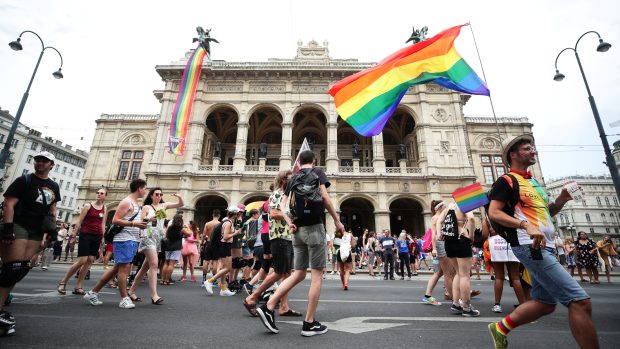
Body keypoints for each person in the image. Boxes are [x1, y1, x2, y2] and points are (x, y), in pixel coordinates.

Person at [487, 134, 598, 349]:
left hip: (546, 245)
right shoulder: (506, 180)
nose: (533, 151)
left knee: (545, 303)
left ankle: (500, 328)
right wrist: (525, 226)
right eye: (528, 148)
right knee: (580, 302)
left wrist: (562, 200)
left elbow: (547, 213)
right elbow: (494, 213)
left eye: (532, 148)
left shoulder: (534, 182)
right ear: (514, 154)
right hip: (530, 246)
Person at [256, 150, 345, 337]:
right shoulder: (317, 172)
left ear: (299, 162)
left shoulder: (293, 177)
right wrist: (337, 221)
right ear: (314, 161)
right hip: (314, 228)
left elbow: (283, 206)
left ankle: (269, 305)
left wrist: (290, 223)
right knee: (316, 275)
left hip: (297, 230)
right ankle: (309, 323)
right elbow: (325, 197)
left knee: (298, 274)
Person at [0, 151, 61, 332]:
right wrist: (9, 228)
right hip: (18, 225)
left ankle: (2, 305)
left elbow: (51, 208)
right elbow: (9, 204)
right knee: (13, 267)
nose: (41, 163)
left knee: (20, 268)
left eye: (45, 161)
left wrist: (51, 230)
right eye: (38, 160)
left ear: (51, 165)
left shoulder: (53, 186)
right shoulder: (24, 180)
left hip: (37, 230)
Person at [83, 179, 148, 309]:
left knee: (117, 269)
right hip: (124, 239)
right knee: (123, 270)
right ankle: (124, 298)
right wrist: (134, 224)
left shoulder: (135, 203)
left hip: (132, 239)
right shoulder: (127, 202)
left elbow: (131, 219)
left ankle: (93, 292)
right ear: (139, 189)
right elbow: (115, 220)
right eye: (145, 188)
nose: (145, 191)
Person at [243, 171, 300, 317]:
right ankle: (252, 297)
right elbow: (273, 214)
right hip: (279, 238)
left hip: (287, 238)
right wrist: (293, 215)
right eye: (290, 178)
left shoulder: (287, 196)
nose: (293, 180)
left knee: (287, 274)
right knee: (279, 272)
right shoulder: (277, 194)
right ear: (283, 181)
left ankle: (284, 307)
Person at [128, 188, 183, 304]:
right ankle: (154, 295)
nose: (159, 196)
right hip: (148, 237)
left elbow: (181, 204)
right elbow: (141, 222)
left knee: (144, 268)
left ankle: (131, 291)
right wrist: (150, 219)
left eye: (160, 194)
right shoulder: (146, 207)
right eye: (156, 194)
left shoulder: (164, 205)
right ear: (151, 196)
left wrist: (178, 196)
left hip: (158, 238)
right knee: (154, 264)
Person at [57, 188, 108, 296]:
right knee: (82, 260)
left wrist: (103, 237)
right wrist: (73, 235)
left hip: (97, 236)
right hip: (86, 234)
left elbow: (103, 223)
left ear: (105, 196)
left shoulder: (105, 208)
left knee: (90, 260)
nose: (99, 194)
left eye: (101, 193)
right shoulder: (88, 206)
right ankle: (63, 282)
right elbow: (79, 221)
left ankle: (78, 286)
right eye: (97, 193)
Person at [438, 202, 478, 317]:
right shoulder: (465, 205)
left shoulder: (448, 207)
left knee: (458, 273)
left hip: (449, 242)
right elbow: (471, 219)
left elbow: (440, 221)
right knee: (465, 275)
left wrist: (440, 234)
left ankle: (456, 303)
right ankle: (466, 307)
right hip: (461, 239)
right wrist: (471, 236)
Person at [485, 216, 526, 313]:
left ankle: (497, 305)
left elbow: (484, 234)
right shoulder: (513, 212)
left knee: (499, 277)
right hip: (512, 241)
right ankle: (523, 305)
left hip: (496, 243)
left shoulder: (489, 215)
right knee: (515, 277)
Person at [422, 200, 453, 306]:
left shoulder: (439, 217)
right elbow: (434, 235)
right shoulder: (436, 218)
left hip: (442, 245)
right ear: (440, 208)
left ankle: (428, 295)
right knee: (448, 273)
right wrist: (434, 249)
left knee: (440, 273)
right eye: (444, 205)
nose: (446, 207)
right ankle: (455, 298)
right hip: (441, 246)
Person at [204, 206, 240, 296]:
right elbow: (226, 237)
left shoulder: (227, 221)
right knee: (228, 268)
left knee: (225, 267)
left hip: (225, 246)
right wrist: (236, 233)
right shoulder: (228, 223)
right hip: (225, 245)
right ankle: (210, 281)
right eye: (238, 213)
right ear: (235, 214)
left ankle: (223, 289)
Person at [161, 214, 191, 285]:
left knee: (166, 263)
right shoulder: (181, 229)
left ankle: (162, 279)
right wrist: (187, 227)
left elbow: (166, 236)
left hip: (168, 246)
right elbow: (190, 234)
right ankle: (167, 280)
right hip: (176, 247)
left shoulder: (170, 227)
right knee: (171, 264)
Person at [201, 209, 221, 284]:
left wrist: (202, 243)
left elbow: (203, 235)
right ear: (219, 215)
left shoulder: (208, 224)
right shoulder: (220, 224)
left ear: (213, 215)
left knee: (206, 261)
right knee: (215, 261)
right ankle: (214, 279)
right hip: (216, 243)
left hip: (208, 242)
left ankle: (204, 278)